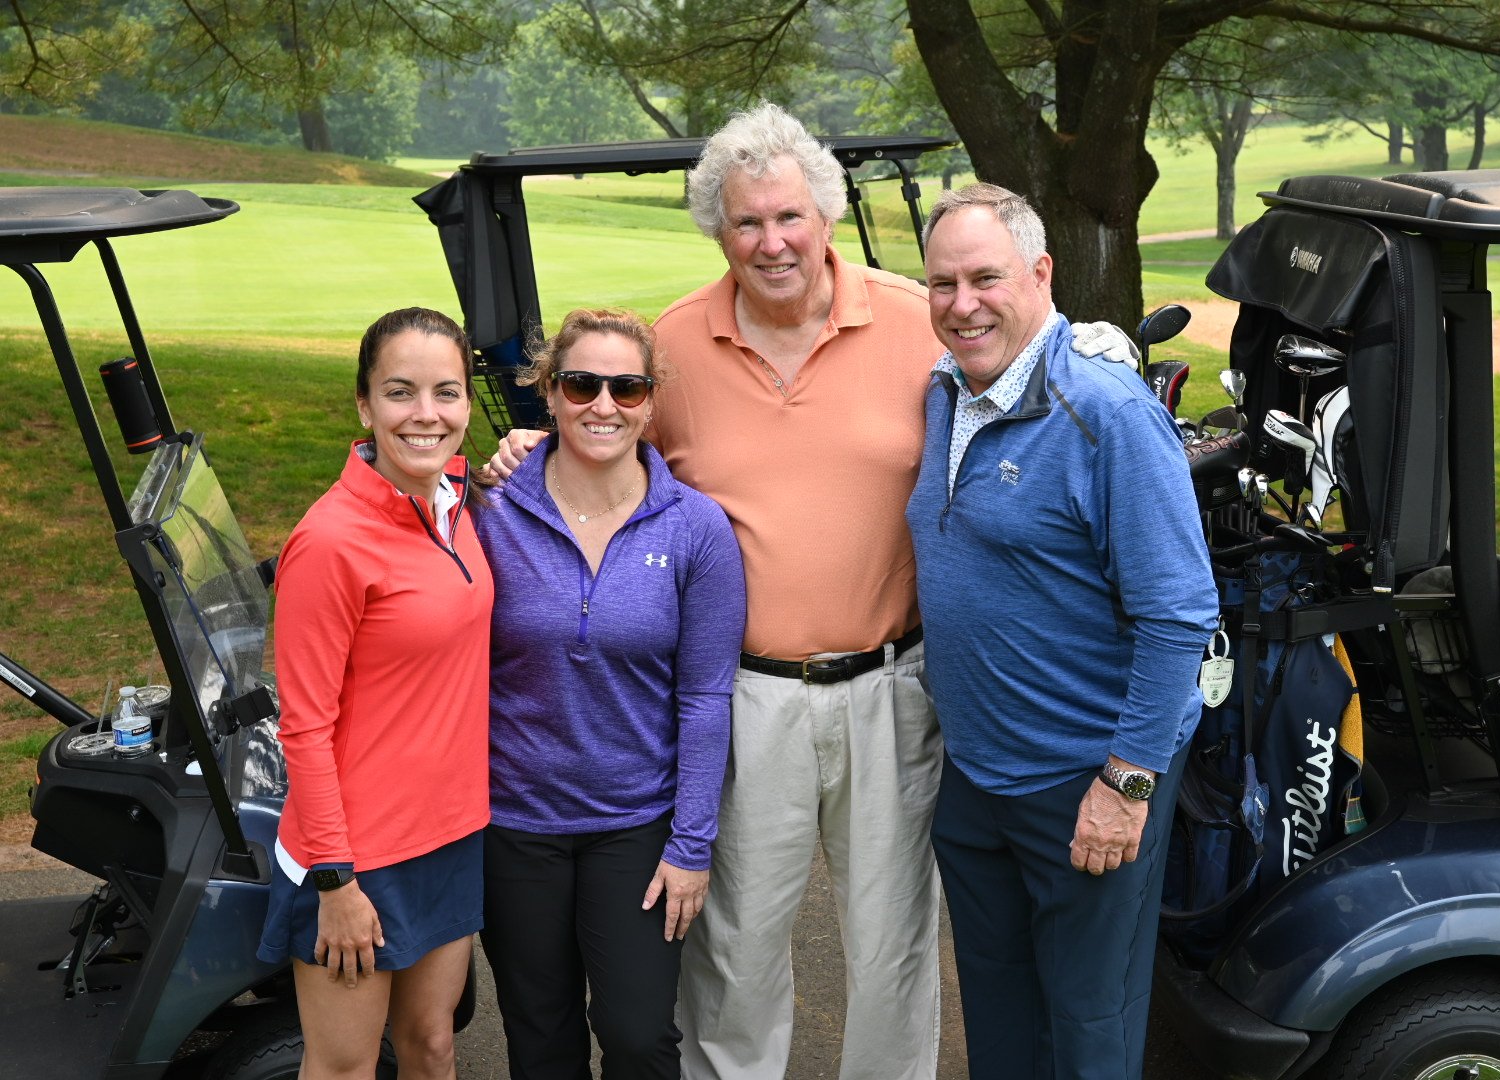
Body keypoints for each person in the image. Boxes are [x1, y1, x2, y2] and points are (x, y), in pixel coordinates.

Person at [487, 104, 1139, 1080]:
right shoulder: (672, 349)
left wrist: (1097, 346)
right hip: (744, 694)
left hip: (894, 685)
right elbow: (606, 442)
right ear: (719, 229)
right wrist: (534, 447)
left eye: (788, 216)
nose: (771, 241)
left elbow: (1027, 356)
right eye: (746, 222)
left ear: (825, 215)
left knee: (893, 952)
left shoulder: (921, 322)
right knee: (735, 952)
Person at [904, 184, 1219, 1080]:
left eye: (985, 278)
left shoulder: (1108, 413)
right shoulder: (943, 391)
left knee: (1087, 1033)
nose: (962, 304)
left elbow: (1179, 614)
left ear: (1040, 274)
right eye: (941, 283)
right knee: (1001, 1024)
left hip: (1084, 781)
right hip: (977, 779)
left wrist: (1124, 783)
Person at [476, 309, 746, 1080]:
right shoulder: (491, 512)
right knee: (540, 1033)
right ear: (548, 394)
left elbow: (704, 697)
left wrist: (691, 845)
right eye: (581, 384)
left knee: (636, 1034)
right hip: (514, 822)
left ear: (651, 401)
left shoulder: (697, 528)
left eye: (626, 387)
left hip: (636, 826)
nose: (604, 404)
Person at [259, 307, 492, 1080]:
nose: (426, 415)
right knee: (346, 1067)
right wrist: (335, 881)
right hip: (357, 858)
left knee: (432, 1045)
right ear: (365, 405)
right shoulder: (329, 542)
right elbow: (305, 726)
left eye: (446, 393)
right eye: (401, 392)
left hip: (452, 833)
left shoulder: (455, 499)